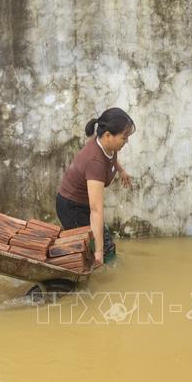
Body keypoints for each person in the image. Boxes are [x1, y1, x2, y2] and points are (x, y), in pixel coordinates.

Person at [56, 107, 136, 267]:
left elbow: (112, 158)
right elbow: (96, 210)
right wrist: (98, 252)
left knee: (107, 248)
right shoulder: (95, 163)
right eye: (124, 138)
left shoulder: (106, 144)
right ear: (108, 136)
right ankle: (83, 282)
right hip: (72, 208)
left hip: (82, 205)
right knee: (95, 252)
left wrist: (121, 171)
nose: (126, 142)